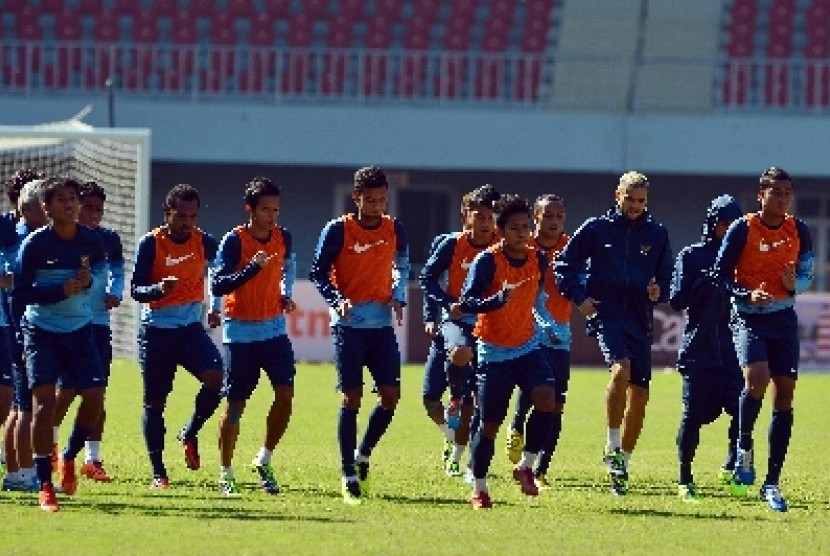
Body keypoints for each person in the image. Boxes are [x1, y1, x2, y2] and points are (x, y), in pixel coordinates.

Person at [556, 171, 672, 496]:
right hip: (607, 315)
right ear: (617, 195)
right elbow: (563, 266)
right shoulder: (596, 229)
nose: (635, 206)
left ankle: (623, 463)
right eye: (630, 199)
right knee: (621, 370)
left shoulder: (658, 234)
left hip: (640, 318)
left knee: (641, 396)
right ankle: (611, 443)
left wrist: (657, 290)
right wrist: (581, 299)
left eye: (641, 201)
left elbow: (667, 279)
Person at [308, 165, 409, 505]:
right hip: (348, 326)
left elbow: (402, 264)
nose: (376, 206)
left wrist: (399, 294)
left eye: (381, 200)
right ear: (356, 198)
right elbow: (318, 273)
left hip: (380, 326)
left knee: (391, 396)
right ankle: (347, 471)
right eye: (370, 200)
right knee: (351, 398)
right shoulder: (338, 230)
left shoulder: (395, 228)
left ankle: (363, 453)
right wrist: (337, 300)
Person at [714, 167, 813, 512]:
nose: (783, 199)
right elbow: (720, 274)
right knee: (756, 379)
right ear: (761, 195)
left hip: (783, 319)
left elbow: (806, 274)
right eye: (777, 193)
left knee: (784, 393)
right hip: (748, 316)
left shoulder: (799, 229)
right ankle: (743, 448)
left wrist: (793, 286)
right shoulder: (743, 228)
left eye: (787, 193)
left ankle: (771, 483)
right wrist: (745, 294)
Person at [458, 193, 559, 509]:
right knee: (489, 425)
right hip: (494, 352)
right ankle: (479, 487)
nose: (522, 233)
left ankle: (525, 465)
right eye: (515, 228)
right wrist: (493, 302)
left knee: (547, 399)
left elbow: (536, 298)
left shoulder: (538, 259)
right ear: (501, 231)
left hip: (527, 347)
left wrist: (546, 321)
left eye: (526, 227)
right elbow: (466, 303)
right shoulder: (487, 261)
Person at [14, 177, 107, 511]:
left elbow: (96, 279)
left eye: (73, 199)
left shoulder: (91, 241)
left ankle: (68, 456)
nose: (70, 204)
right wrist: (57, 291)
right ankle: (44, 484)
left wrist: (88, 282)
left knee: (94, 398)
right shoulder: (35, 245)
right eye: (62, 200)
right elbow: (20, 294)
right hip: (41, 331)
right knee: (43, 403)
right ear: (47, 208)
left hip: (79, 329)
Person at [130, 183, 224, 489]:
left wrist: (215, 305)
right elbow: (135, 289)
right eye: (181, 215)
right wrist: (158, 289)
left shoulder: (203, 242)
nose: (187, 222)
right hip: (156, 331)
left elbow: (223, 271)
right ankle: (159, 471)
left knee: (216, 377)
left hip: (189, 330)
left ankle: (190, 431)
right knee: (155, 402)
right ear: (167, 213)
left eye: (192, 216)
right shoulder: (151, 244)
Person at [211, 177, 297, 497]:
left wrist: (285, 294)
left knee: (286, 396)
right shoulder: (234, 241)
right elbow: (218, 285)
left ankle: (264, 459)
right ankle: (226, 472)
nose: (272, 216)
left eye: (276, 209)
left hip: (274, 330)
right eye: (265, 210)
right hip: (241, 333)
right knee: (235, 406)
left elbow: (287, 268)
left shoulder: (283, 236)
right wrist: (250, 269)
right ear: (250, 209)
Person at [420, 184, 500, 477]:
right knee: (429, 399)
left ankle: (463, 457)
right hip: (453, 323)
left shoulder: (502, 247)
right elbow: (427, 278)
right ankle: (452, 434)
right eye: (478, 217)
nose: (484, 224)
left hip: (487, 327)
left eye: (490, 217)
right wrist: (442, 306)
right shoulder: (451, 244)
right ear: (465, 216)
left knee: (477, 398)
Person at [669, 194, 744, 503]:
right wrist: (707, 280)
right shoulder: (692, 256)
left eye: (734, 225)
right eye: (724, 224)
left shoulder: (744, 258)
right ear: (712, 224)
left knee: (744, 409)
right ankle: (685, 478)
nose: (728, 231)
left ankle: (731, 465)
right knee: (694, 415)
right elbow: (676, 301)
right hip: (699, 351)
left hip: (736, 351)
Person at [50, 181, 124, 483]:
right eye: (88, 208)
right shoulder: (64, 239)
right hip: (69, 324)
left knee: (97, 393)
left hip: (99, 324)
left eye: (98, 209)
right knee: (65, 391)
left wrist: (115, 291)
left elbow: (118, 273)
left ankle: (92, 459)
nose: (93, 214)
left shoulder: (109, 240)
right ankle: (51, 447)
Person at [505, 194, 572, 488]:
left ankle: (541, 468)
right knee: (533, 389)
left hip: (560, 333)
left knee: (556, 402)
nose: (553, 222)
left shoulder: (571, 248)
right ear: (536, 217)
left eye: (558, 217)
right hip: (527, 330)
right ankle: (517, 423)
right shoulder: (524, 246)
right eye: (548, 216)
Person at [1, 179, 48, 492]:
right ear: (26, 208)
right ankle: (22, 473)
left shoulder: (42, 239)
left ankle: (18, 474)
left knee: (18, 404)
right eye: (47, 203)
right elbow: (7, 280)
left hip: (28, 328)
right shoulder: (13, 239)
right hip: (15, 328)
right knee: (22, 405)